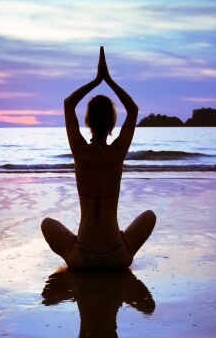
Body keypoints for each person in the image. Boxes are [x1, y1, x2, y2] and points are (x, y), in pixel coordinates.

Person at [41, 47, 156, 269]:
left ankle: (79, 246)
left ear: (88, 121)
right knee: (149, 216)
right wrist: (109, 80)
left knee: (47, 224)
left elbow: (68, 104)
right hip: (117, 259)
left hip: (82, 260)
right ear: (113, 123)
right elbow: (132, 110)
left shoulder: (80, 151)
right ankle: (117, 241)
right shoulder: (117, 152)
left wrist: (96, 80)